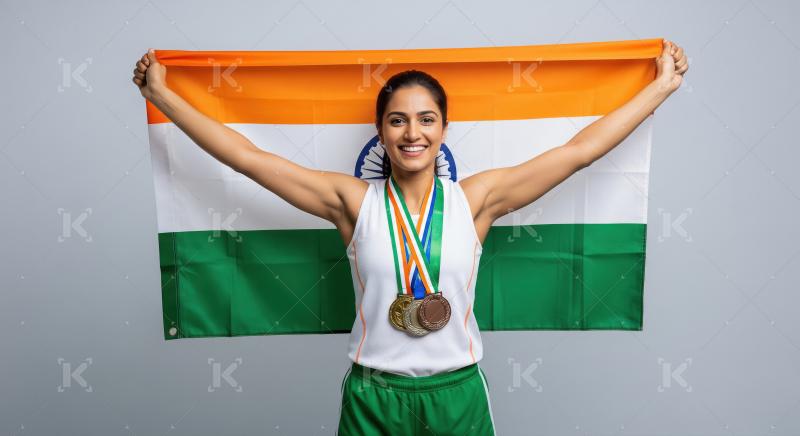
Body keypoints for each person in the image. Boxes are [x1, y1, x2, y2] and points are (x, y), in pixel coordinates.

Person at [133, 40, 688, 435]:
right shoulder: (352, 203)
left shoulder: (478, 200)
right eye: (397, 120)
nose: (412, 132)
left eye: (426, 119)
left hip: (457, 394)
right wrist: (163, 95)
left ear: (444, 129)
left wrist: (661, 87)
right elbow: (247, 159)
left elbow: (579, 151)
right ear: (381, 132)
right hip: (375, 396)